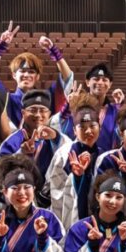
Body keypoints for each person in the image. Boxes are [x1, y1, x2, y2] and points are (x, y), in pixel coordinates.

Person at [0, 22, 74, 129]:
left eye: (31, 72)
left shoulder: (47, 96)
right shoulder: (7, 98)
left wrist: (53, 51)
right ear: (14, 75)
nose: (26, 75)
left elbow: (67, 77)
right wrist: (1, 46)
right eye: (22, 71)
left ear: (37, 76)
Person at [0, 90, 65, 208]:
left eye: (42, 110)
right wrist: (22, 153)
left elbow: (68, 155)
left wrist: (56, 138)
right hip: (20, 199)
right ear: (23, 113)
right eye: (33, 110)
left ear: (49, 114)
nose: (38, 115)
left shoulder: (54, 137)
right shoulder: (11, 142)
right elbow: (2, 173)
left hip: (50, 200)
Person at [45, 93, 102, 227]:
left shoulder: (103, 155)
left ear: (99, 127)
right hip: (69, 220)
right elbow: (56, 194)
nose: (88, 131)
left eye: (92, 126)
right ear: (74, 131)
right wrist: (77, 179)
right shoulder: (64, 154)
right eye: (82, 127)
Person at [55, 63, 125, 153]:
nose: (100, 82)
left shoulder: (114, 110)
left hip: (104, 159)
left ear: (110, 84)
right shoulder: (77, 106)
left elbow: (121, 136)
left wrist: (120, 107)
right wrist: (69, 106)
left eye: (104, 80)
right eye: (96, 79)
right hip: (77, 157)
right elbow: (62, 129)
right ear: (87, 82)